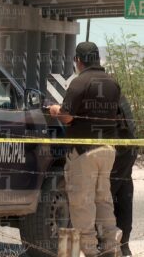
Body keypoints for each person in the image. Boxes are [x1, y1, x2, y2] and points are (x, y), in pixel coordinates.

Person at [49, 42, 122, 257]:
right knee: (103, 199)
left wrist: (55, 110)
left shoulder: (79, 82)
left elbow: (67, 116)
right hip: (108, 149)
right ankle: (111, 242)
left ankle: (90, 249)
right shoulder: (113, 83)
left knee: (82, 201)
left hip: (84, 151)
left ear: (78, 61)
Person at [111, 96, 138, 257]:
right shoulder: (118, 95)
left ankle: (108, 245)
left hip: (118, 151)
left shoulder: (106, 97)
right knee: (123, 194)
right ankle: (124, 246)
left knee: (106, 196)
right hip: (128, 149)